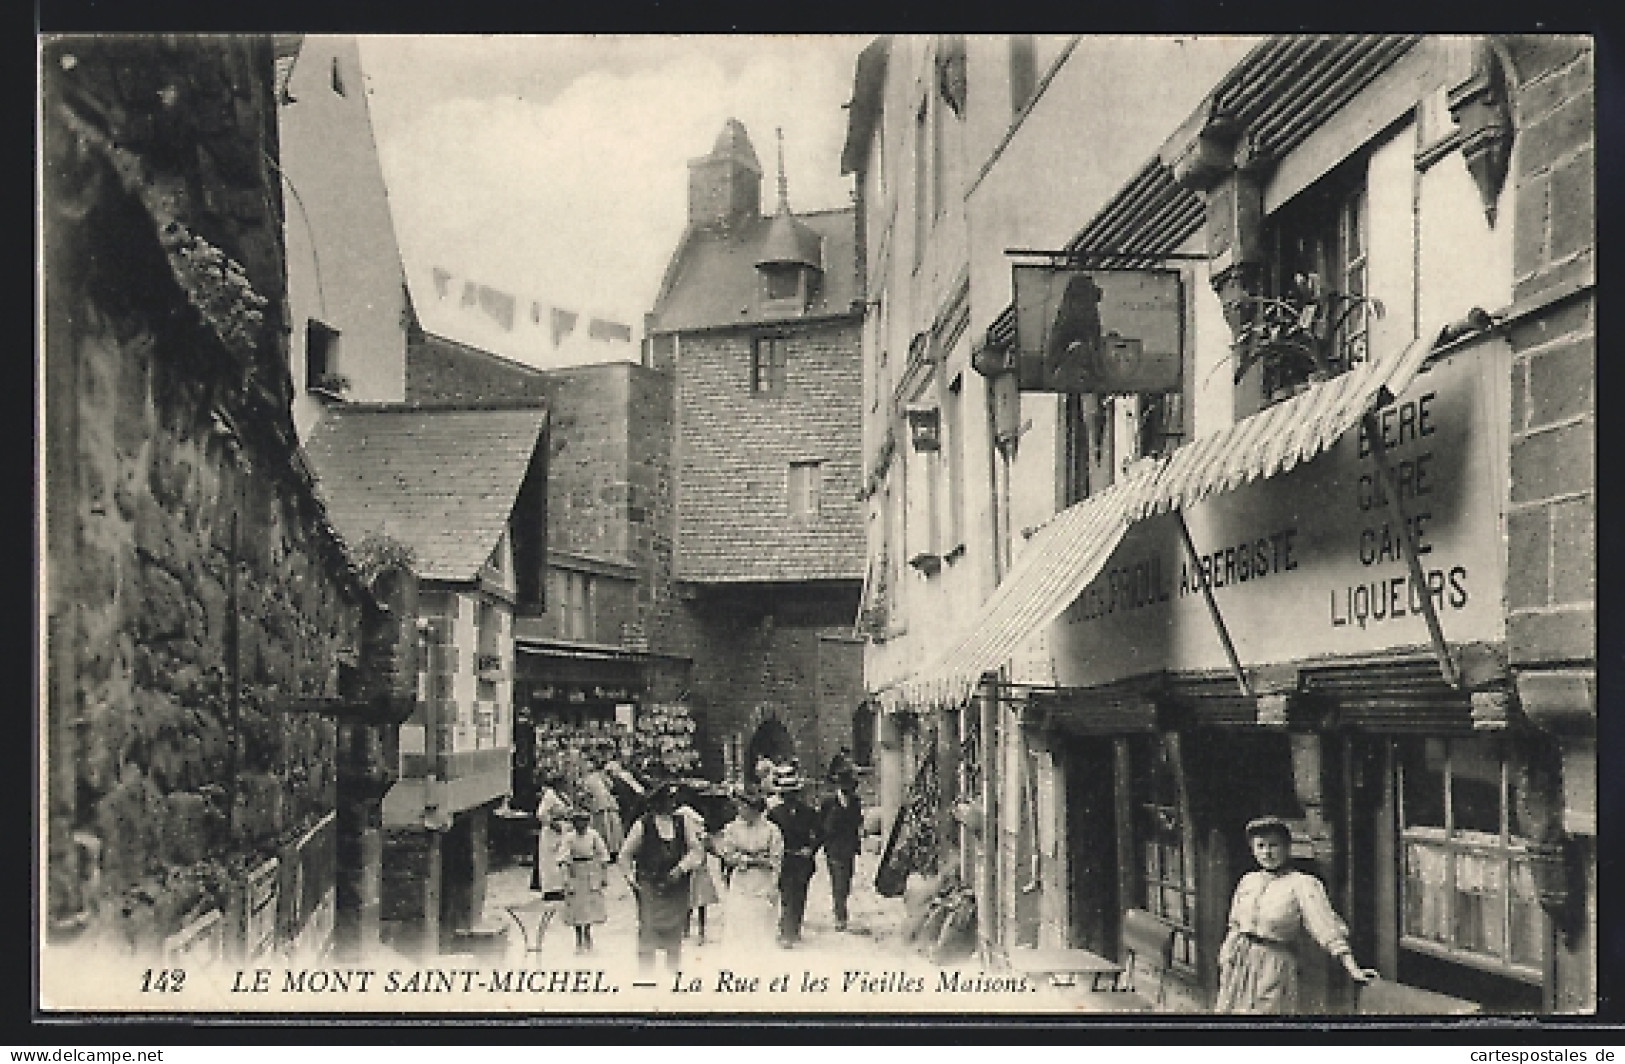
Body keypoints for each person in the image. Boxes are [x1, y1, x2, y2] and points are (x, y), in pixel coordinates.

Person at [1215, 815, 1378, 1014]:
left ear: (1287, 847)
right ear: (1253, 849)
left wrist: (1353, 968)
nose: (1267, 852)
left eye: (1274, 845)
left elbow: (1326, 926)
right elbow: (1235, 924)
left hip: (1274, 966)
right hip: (1240, 963)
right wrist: (1226, 956)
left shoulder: (1302, 884)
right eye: (1261, 846)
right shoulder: (1248, 881)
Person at [618, 782, 705, 972]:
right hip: (650, 884)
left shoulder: (683, 823)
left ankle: (672, 974)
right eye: (667, 799)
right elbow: (625, 854)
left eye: (673, 799)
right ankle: (646, 976)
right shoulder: (643, 825)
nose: (671, 803)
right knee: (648, 929)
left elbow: (697, 851)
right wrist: (631, 878)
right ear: (656, 802)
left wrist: (682, 868)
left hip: (676, 886)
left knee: (674, 933)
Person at [718, 789, 783, 948]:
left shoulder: (771, 830)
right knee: (739, 923)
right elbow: (728, 855)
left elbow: (775, 859)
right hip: (741, 881)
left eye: (744, 807)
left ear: (755, 809)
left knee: (762, 926)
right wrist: (750, 860)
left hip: (763, 882)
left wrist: (773, 885)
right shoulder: (732, 829)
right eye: (739, 807)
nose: (740, 810)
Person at [766, 764, 821, 948]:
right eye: (786, 794)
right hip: (785, 860)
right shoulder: (775, 814)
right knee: (787, 895)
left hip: (803, 861)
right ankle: (786, 932)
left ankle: (795, 928)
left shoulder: (809, 812)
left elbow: (820, 833)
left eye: (793, 793)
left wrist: (811, 848)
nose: (790, 797)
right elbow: (770, 836)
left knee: (800, 894)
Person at [819, 765, 864, 932]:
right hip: (834, 847)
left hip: (849, 847)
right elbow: (822, 824)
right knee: (838, 881)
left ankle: (841, 904)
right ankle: (840, 915)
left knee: (846, 881)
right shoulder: (829, 802)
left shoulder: (855, 801)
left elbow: (858, 821)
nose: (847, 791)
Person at [676, 785, 721, 945]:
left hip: (685, 865)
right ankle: (700, 930)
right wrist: (719, 855)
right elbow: (708, 844)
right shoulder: (697, 822)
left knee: (687, 898)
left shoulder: (678, 821)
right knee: (701, 900)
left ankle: (685, 929)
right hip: (699, 865)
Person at [561, 808, 610, 953]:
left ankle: (588, 936)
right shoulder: (569, 838)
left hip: (590, 870)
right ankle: (578, 939)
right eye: (577, 822)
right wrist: (566, 877)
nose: (581, 825)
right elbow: (563, 857)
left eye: (584, 822)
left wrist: (603, 875)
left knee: (589, 906)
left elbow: (603, 854)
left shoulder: (593, 835)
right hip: (575, 871)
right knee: (577, 906)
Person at [531, 777, 571, 900]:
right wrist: (552, 823)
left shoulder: (563, 796)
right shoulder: (549, 795)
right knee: (550, 861)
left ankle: (561, 887)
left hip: (563, 829)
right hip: (551, 831)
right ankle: (550, 890)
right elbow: (541, 813)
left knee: (561, 858)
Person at [579, 760, 625, 855]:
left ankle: (613, 849)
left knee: (611, 826)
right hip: (601, 805)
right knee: (605, 827)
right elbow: (586, 794)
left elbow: (611, 786)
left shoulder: (598, 777)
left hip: (606, 804)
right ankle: (609, 849)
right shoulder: (589, 779)